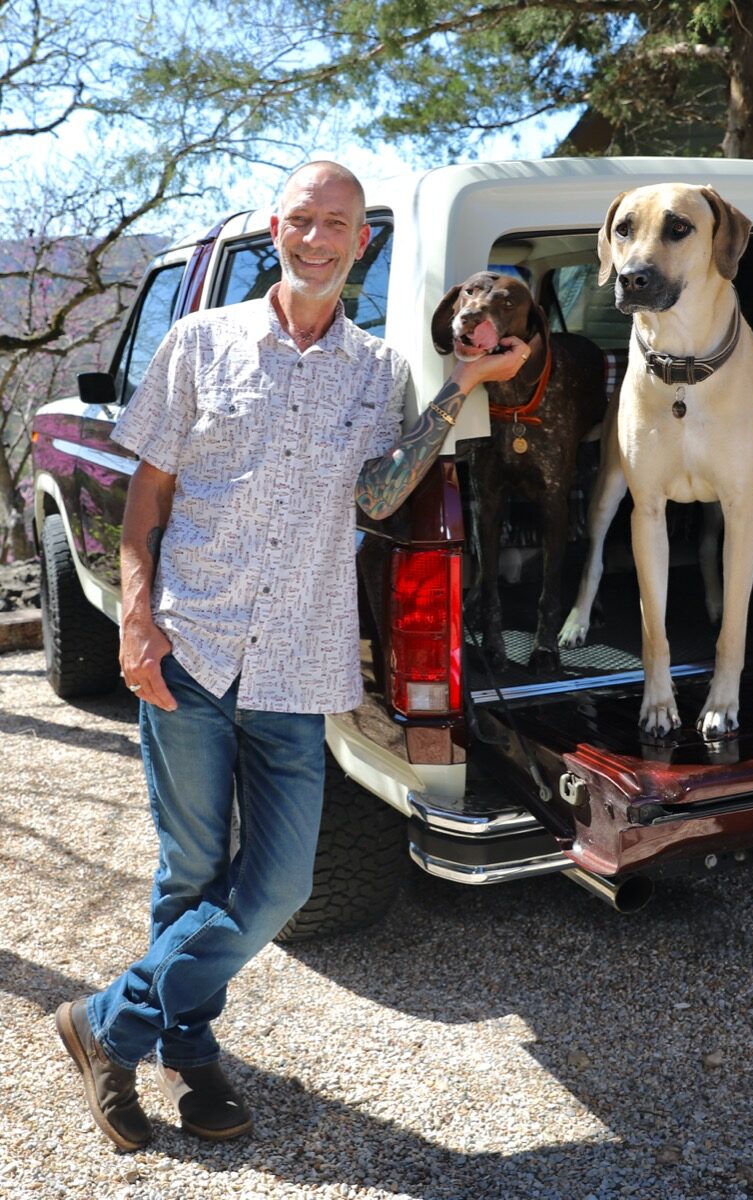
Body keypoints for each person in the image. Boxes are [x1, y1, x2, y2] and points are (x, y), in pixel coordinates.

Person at [55, 160, 530, 1151]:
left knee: (277, 887)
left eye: (338, 225)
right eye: (302, 220)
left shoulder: (375, 371)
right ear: (278, 227)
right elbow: (145, 498)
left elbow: (377, 496)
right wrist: (136, 618)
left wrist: (463, 385)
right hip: (191, 645)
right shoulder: (198, 342)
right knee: (190, 869)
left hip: (296, 668)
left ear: (363, 242)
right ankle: (186, 1056)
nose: (317, 239)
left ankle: (103, 1023)